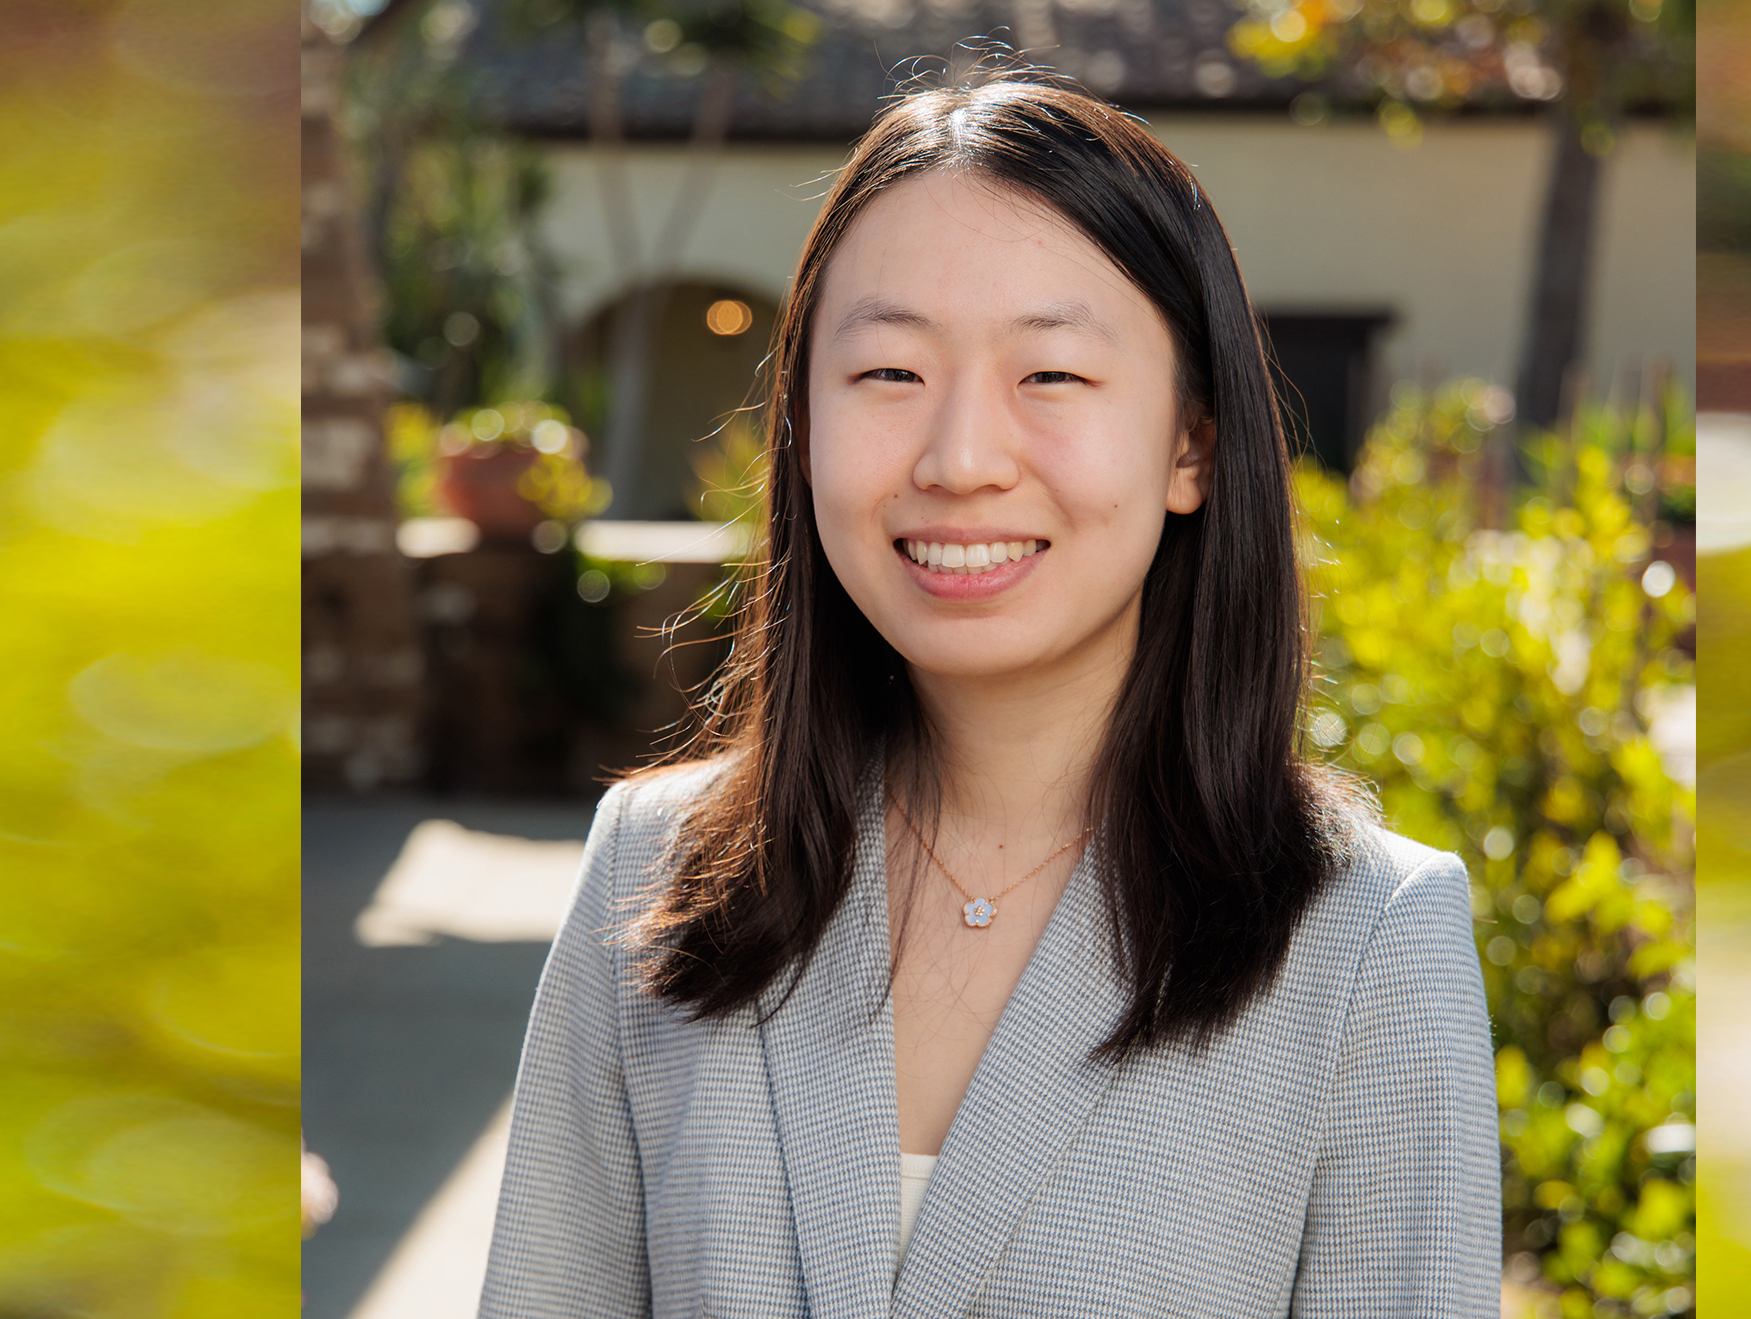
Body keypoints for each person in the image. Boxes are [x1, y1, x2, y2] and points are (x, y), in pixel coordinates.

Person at [479, 70, 1500, 1319]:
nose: (959, 459)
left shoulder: (1362, 939)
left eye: (1051, 377)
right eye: (888, 373)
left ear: (1192, 444)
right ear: (799, 427)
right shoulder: (658, 874)